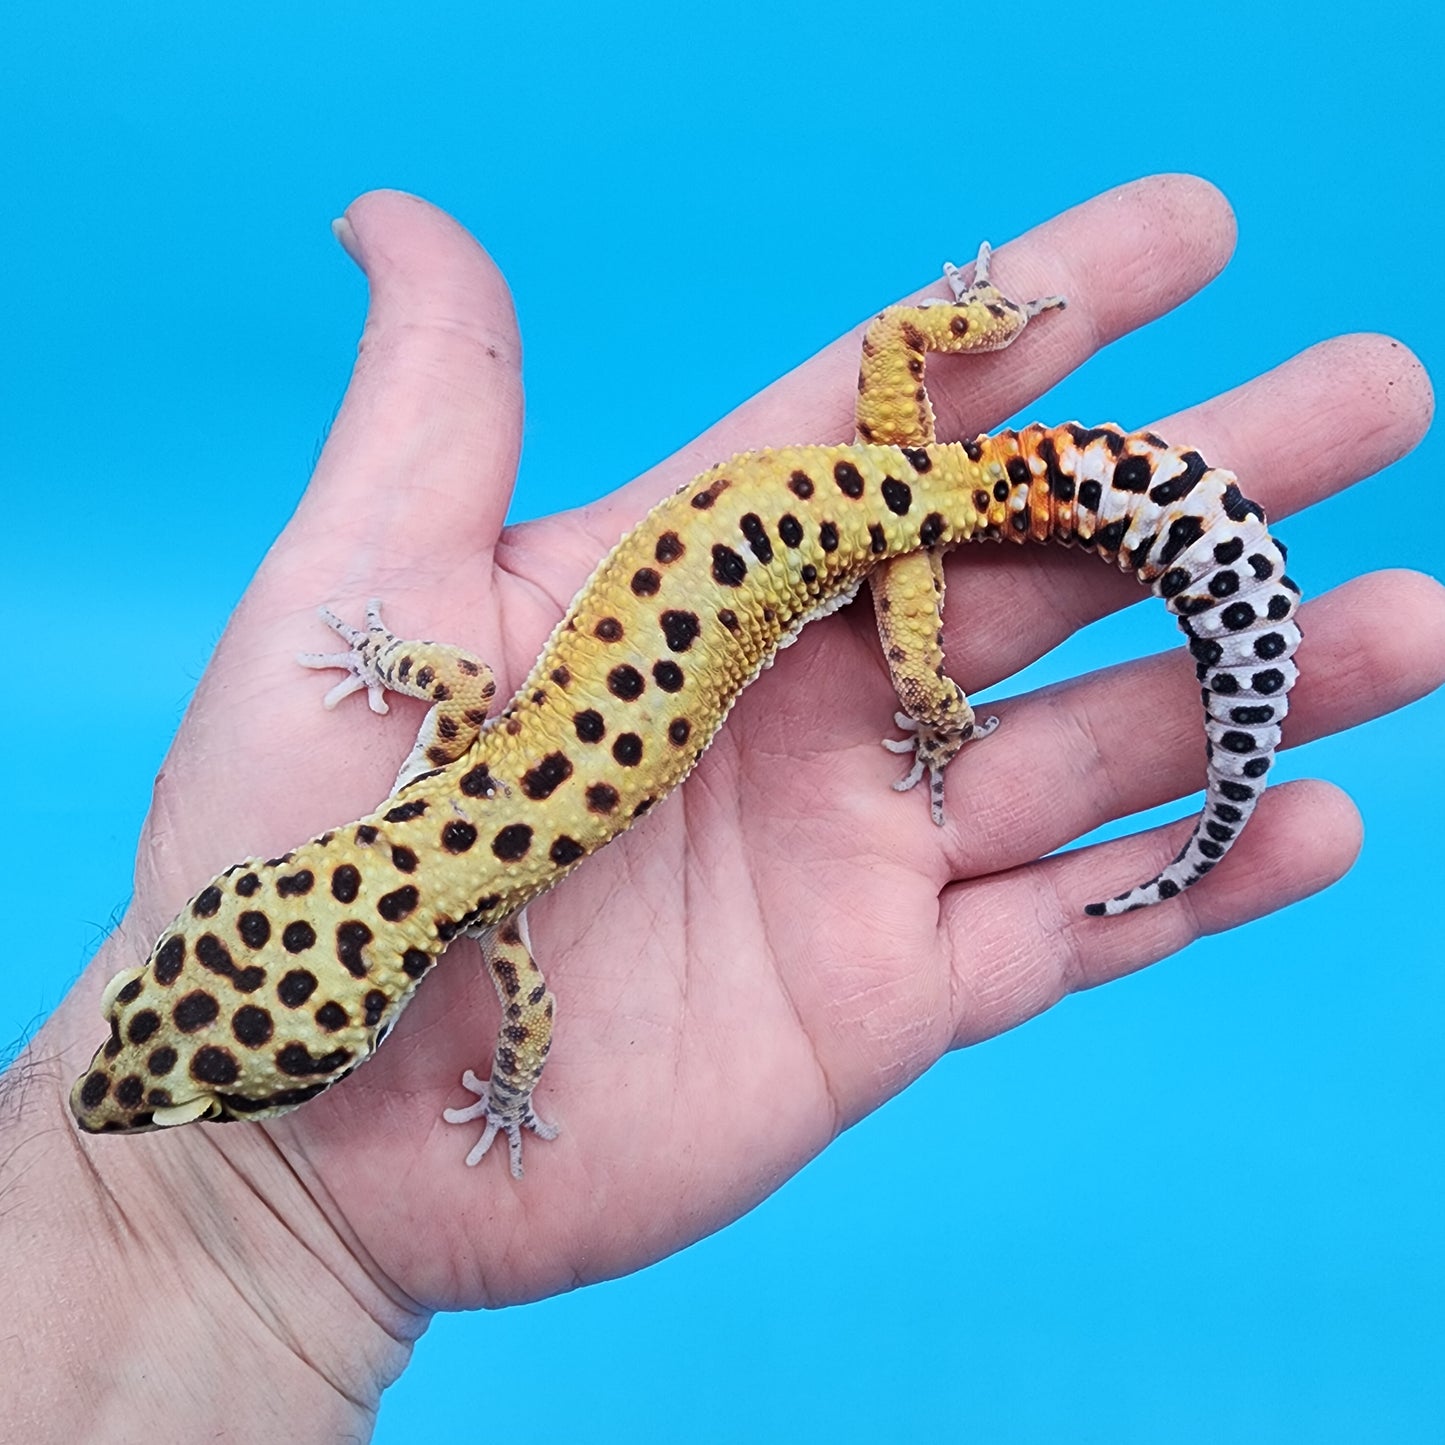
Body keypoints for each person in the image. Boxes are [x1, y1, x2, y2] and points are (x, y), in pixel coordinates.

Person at [2, 176, 1439, 1441]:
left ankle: (1002, 692)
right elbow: (447, 684)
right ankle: (1010, 436)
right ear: (265, 895)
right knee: (901, 371)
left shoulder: (492, 923)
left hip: (888, 528)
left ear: (327, 973)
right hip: (867, 477)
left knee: (924, 668)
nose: (144, 1079)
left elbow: (534, 1025)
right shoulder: (445, 777)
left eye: (166, 1039)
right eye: (177, 1045)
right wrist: (387, 656)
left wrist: (511, 1087)